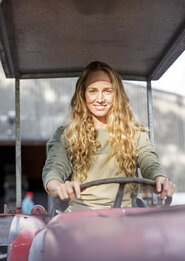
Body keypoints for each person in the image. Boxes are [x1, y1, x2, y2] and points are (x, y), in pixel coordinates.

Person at [42, 61, 175, 211]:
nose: (100, 99)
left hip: (126, 217)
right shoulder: (66, 135)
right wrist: (59, 187)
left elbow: (150, 163)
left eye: (107, 91)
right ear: (83, 95)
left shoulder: (135, 134)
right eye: (92, 91)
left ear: (116, 95)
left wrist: (160, 180)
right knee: (42, 235)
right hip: (79, 218)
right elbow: (53, 171)